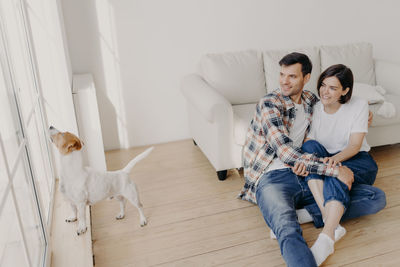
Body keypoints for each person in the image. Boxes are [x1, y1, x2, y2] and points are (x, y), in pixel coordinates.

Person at [239, 52, 386, 267]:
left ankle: (310, 214)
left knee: (375, 197)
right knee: (287, 229)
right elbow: (286, 153)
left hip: (308, 173)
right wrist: (335, 170)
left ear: (306, 78)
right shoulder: (270, 103)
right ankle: (319, 236)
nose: (284, 81)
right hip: (272, 178)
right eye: (281, 75)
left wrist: (365, 117)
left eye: (292, 76)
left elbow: (336, 104)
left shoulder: (311, 100)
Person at [291, 64, 379, 265]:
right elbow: (309, 143)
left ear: (345, 90)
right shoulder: (314, 108)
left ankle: (321, 224)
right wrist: (330, 166)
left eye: (333, 88)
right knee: (313, 148)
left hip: (356, 159)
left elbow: (355, 145)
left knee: (373, 196)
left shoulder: (359, 105)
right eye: (323, 85)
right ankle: (330, 227)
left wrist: (334, 165)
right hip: (324, 159)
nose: (325, 91)